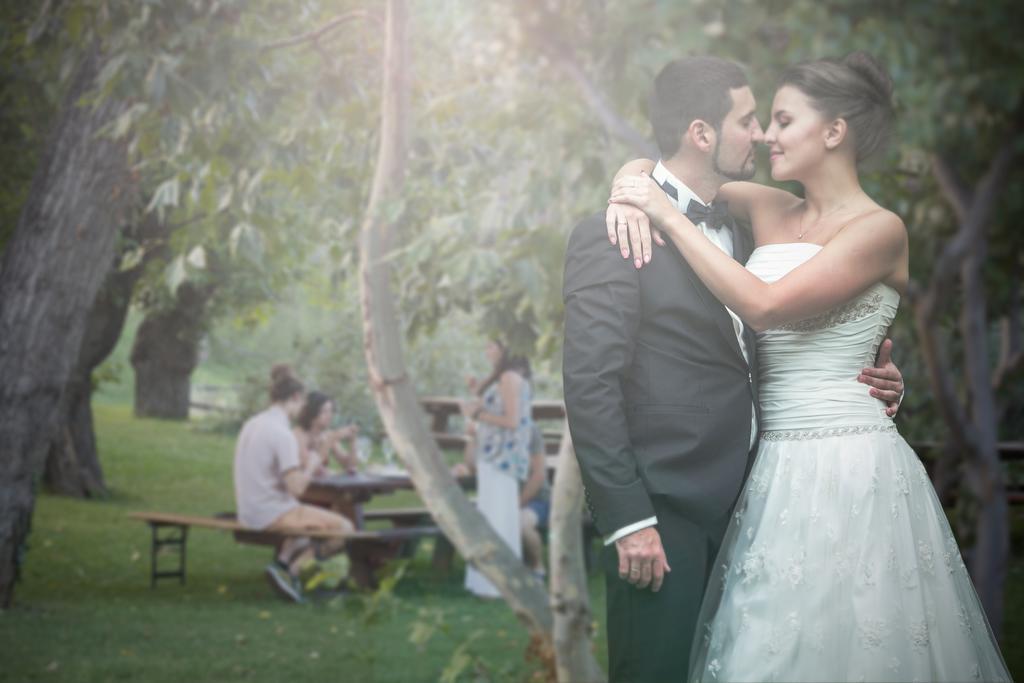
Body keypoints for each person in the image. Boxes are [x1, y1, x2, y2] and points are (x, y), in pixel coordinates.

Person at [607, 53, 1010, 682]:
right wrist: (629, 189)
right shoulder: (771, 208)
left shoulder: (881, 230)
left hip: (850, 468)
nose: (766, 135)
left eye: (783, 119)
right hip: (768, 466)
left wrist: (660, 214)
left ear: (834, 131)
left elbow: (764, 308)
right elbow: (672, 169)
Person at [562, 56, 906, 683]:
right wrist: (628, 519)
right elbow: (589, 386)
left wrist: (867, 372)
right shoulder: (620, 233)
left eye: (774, 120)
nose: (764, 134)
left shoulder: (753, 223)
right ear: (702, 132)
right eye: (752, 120)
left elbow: (777, 316)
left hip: (760, 498)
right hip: (662, 509)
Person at [233, 365, 354, 604]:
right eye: (302, 404)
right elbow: (297, 488)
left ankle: (282, 565)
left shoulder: (252, 424)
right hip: (271, 513)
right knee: (346, 529)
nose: (302, 410)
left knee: (312, 527)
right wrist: (316, 458)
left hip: (248, 510)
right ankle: (291, 574)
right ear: (296, 398)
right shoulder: (282, 434)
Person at [456, 340, 533, 598]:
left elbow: (512, 421)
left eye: (491, 345)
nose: (486, 350)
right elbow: (493, 407)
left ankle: (499, 583)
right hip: (491, 456)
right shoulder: (502, 377)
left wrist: (478, 416)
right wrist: (476, 396)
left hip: (503, 457)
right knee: (490, 515)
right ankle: (488, 581)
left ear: (504, 348)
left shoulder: (510, 377)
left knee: (499, 518)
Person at [294, 391, 360, 476]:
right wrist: (331, 439)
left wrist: (353, 441)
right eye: (324, 411)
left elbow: (350, 466)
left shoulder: (327, 434)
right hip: (303, 487)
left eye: (331, 411)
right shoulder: (298, 434)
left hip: (323, 487)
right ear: (311, 412)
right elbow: (311, 468)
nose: (330, 415)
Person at [520, 423, 551, 578]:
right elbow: (471, 464)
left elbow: (539, 476)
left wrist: (517, 503)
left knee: (522, 523)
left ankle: (537, 568)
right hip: (499, 499)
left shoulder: (530, 429)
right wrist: (472, 436)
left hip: (536, 500)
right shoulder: (487, 427)